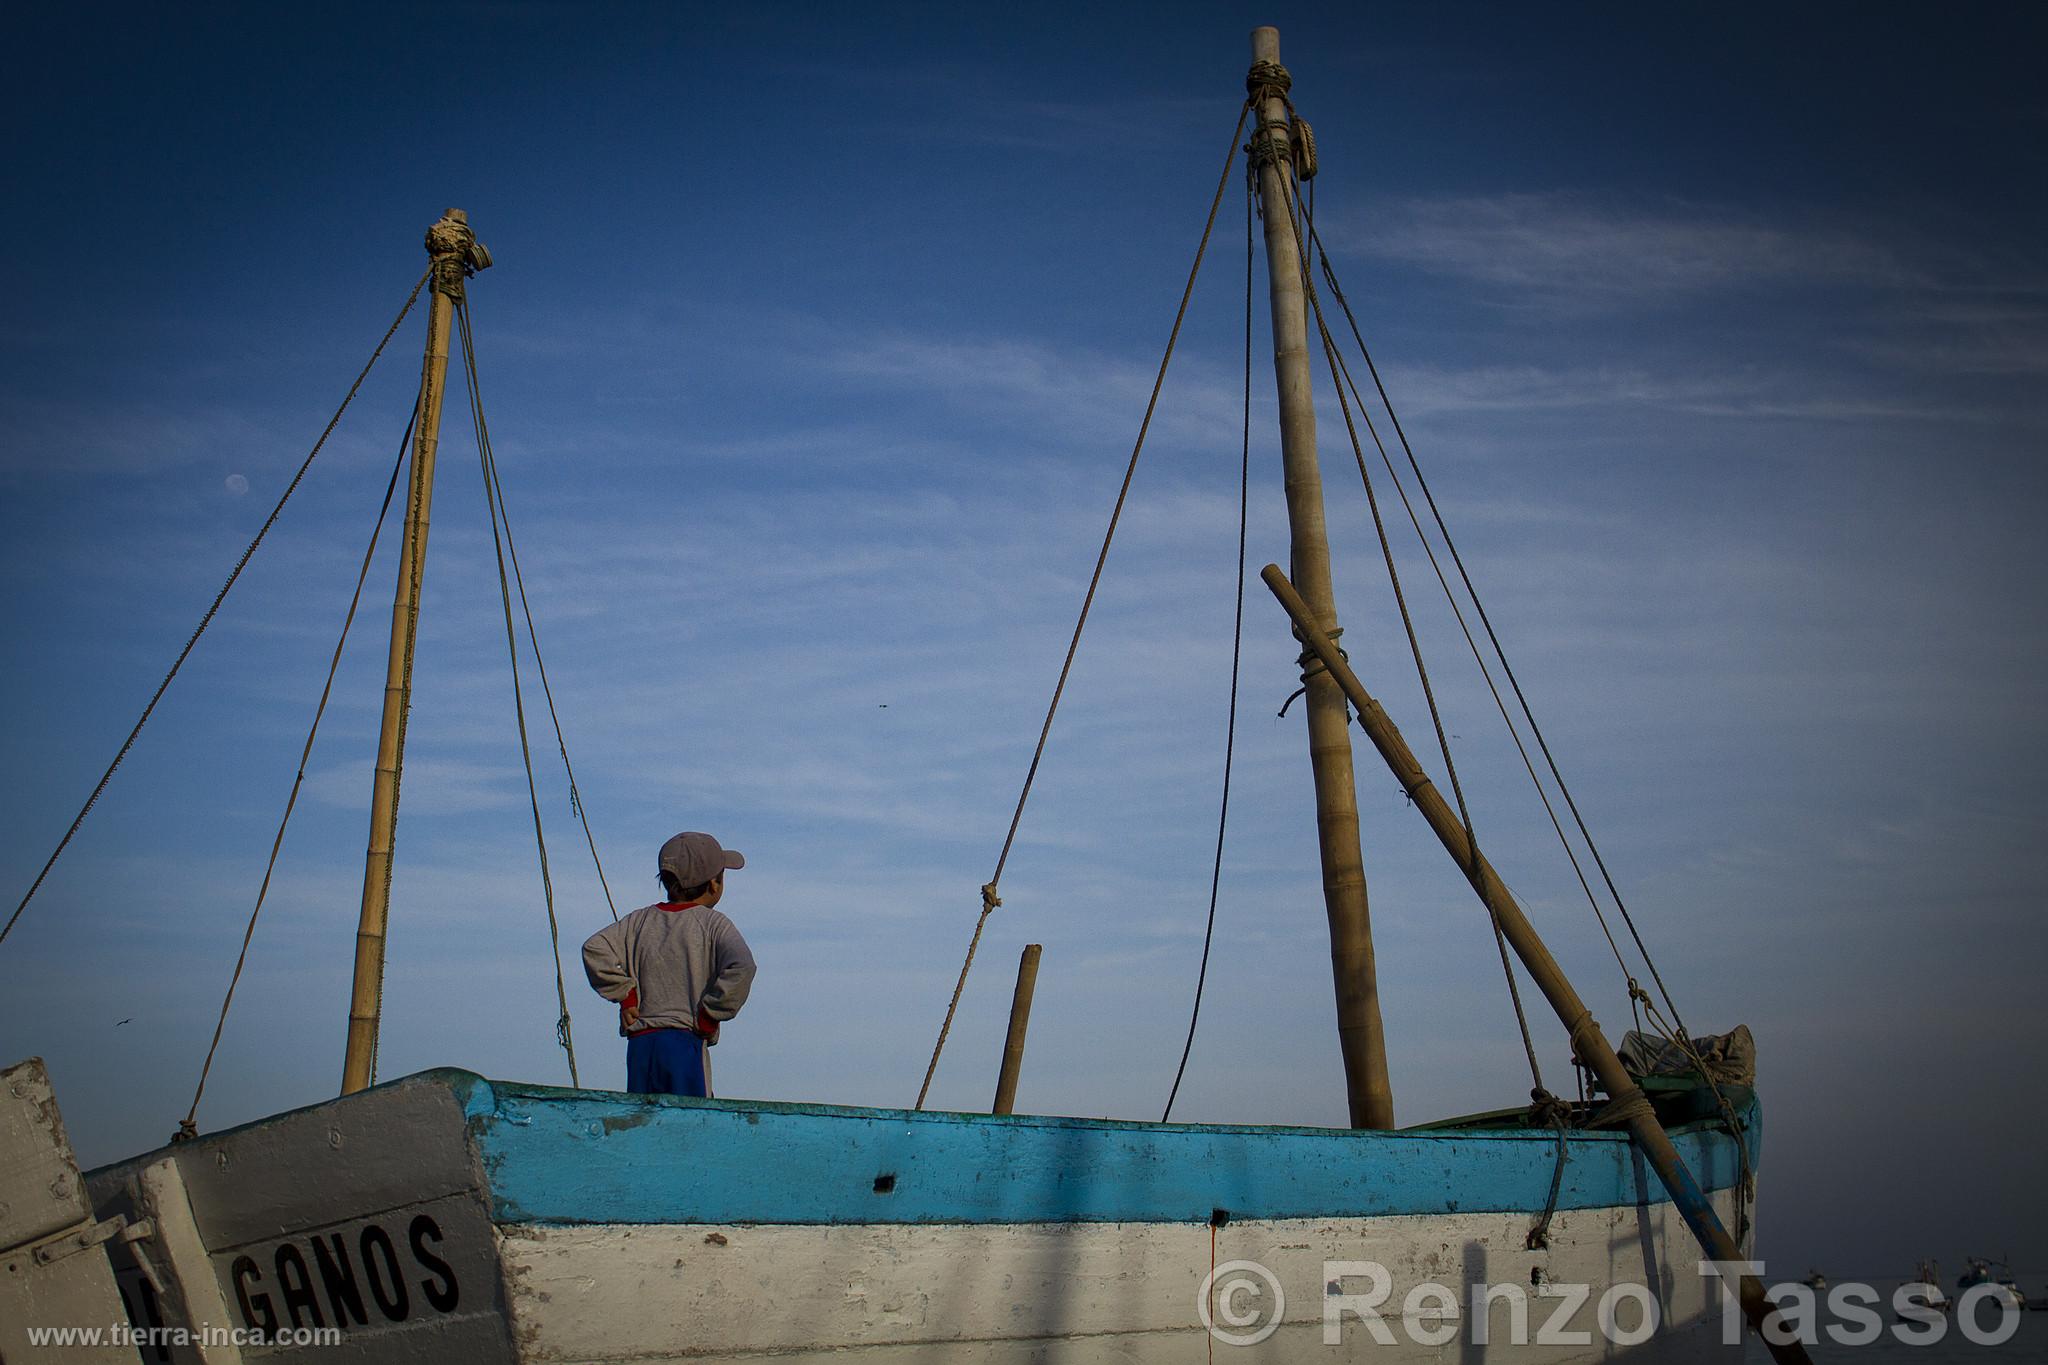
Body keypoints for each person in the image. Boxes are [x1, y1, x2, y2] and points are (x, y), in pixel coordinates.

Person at [581, 831, 757, 1098]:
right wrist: (711, 1013)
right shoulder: (714, 924)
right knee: (691, 1124)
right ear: (714, 884)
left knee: (643, 1123)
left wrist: (626, 995)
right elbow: (743, 966)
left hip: (641, 1046)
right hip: (685, 1042)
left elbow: (594, 948)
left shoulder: (638, 922)